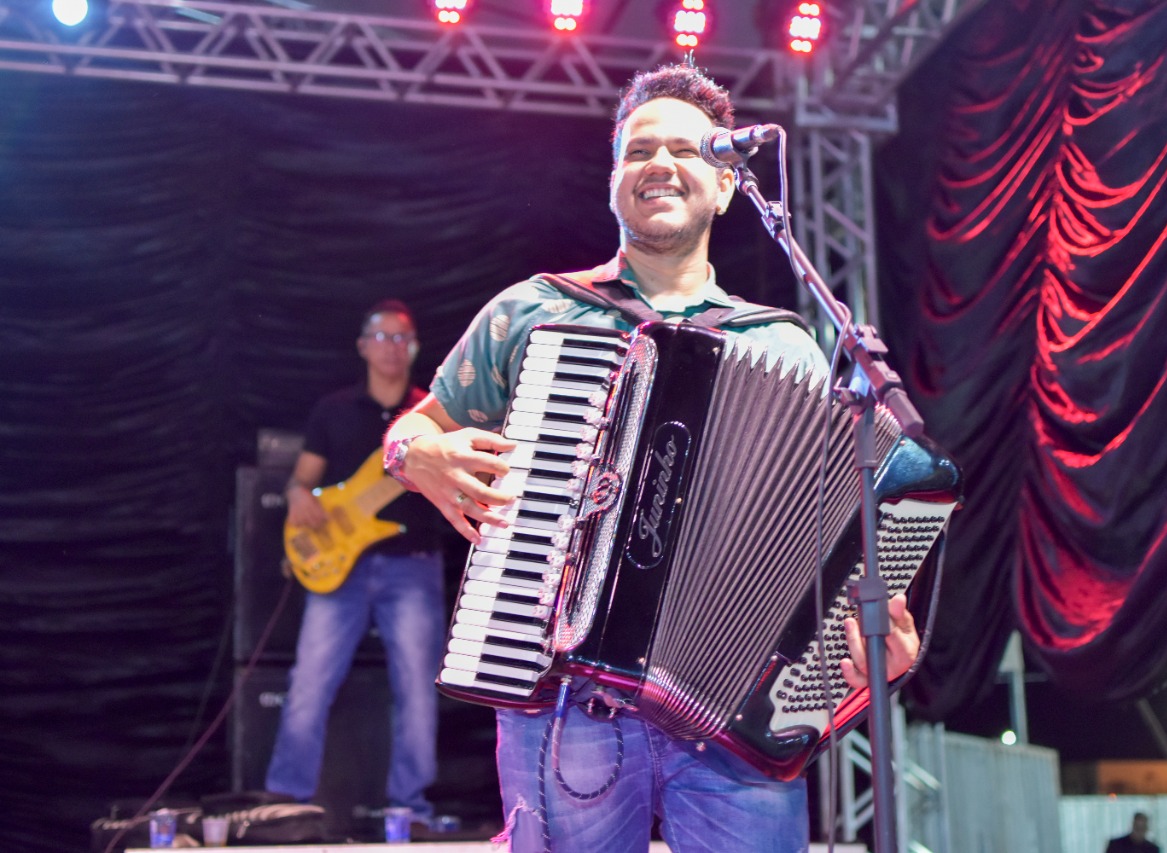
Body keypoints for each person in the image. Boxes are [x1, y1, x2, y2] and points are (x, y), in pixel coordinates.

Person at [382, 64, 921, 851]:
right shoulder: (537, 311)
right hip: (562, 702)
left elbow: (821, 543)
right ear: (613, 182)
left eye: (684, 150)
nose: (658, 164)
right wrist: (417, 452)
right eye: (637, 152)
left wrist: (871, 638)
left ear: (728, 185)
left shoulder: (784, 345)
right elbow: (410, 432)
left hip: (732, 716)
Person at [266, 299, 446, 833]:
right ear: (363, 346)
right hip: (339, 566)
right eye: (382, 337)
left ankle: (411, 810)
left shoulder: (433, 417)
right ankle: (286, 803)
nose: (392, 347)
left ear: (414, 348)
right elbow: (302, 480)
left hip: (412, 564)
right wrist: (298, 495)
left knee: (418, 688)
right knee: (309, 681)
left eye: (401, 338)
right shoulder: (333, 410)